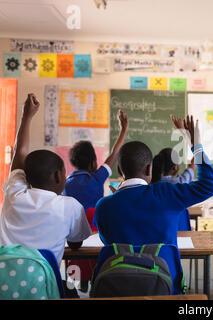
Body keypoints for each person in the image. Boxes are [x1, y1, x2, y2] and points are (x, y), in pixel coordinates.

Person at [94, 114, 213, 248]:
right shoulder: (165, 193)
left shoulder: (103, 206)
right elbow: (210, 185)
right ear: (149, 169)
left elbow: (107, 241)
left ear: (119, 170)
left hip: (118, 269)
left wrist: (117, 196)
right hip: (163, 268)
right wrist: (195, 146)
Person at [0, 94, 91, 265]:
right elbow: (75, 242)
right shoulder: (69, 206)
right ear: (57, 176)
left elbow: (19, 156)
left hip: (5, 284)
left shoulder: (14, 194)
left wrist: (26, 116)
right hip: (45, 288)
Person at [61, 109, 128, 292]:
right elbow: (114, 154)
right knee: (95, 267)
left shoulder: (65, 183)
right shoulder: (97, 177)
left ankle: (76, 286)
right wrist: (123, 130)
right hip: (97, 236)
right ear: (93, 162)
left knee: (74, 270)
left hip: (73, 238)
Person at [151, 148, 197, 231]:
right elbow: (193, 166)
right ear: (175, 167)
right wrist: (197, 148)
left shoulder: (148, 183)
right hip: (177, 231)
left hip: (155, 230)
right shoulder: (179, 184)